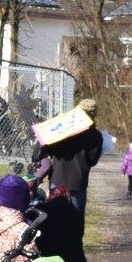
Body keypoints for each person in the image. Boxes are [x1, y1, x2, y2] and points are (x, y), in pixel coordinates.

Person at [33, 98, 104, 230]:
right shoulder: (95, 135)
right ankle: (74, 242)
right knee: (76, 220)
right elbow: (92, 160)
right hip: (78, 181)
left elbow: (47, 149)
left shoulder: (64, 130)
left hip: (58, 178)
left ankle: (57, 241)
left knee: (55, 217)